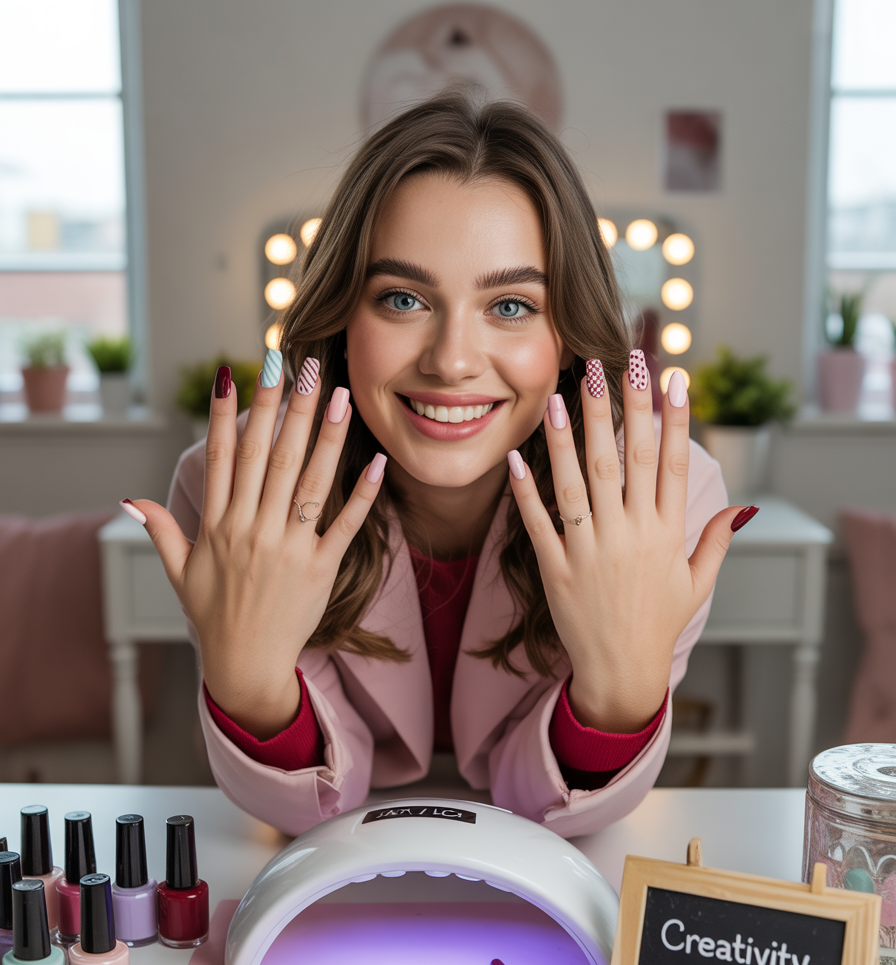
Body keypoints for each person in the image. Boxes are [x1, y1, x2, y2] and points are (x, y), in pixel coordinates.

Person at [122, 93, 750, 839]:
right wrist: (250, 687)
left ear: (570, 338)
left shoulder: (660, 505)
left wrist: (620, 697)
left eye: (511, 306)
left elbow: (544, 805)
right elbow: (317, 799)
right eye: (401, 298)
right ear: (341, 318)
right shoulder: (239, 496)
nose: (451, 361)